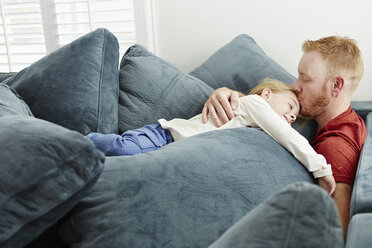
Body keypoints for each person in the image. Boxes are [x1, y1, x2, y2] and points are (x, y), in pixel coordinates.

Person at [201, 36, 366, 238]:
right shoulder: (344, 118)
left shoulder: (335, 148)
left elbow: (337, 235)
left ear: (336, 86)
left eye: (305, 78)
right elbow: (263, 107)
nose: (296, 86)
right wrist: (225, 93)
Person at [87, 78, 336, 195]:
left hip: (168, 153)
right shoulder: (254, 104)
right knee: (122, 150)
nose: (292, 117)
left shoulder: (253, 125)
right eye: (291, 106)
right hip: (163, 136)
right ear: (268, 94)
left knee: (115, 169)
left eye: (295, 118)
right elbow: (288, 136)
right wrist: (321, 168)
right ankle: (82, 139)